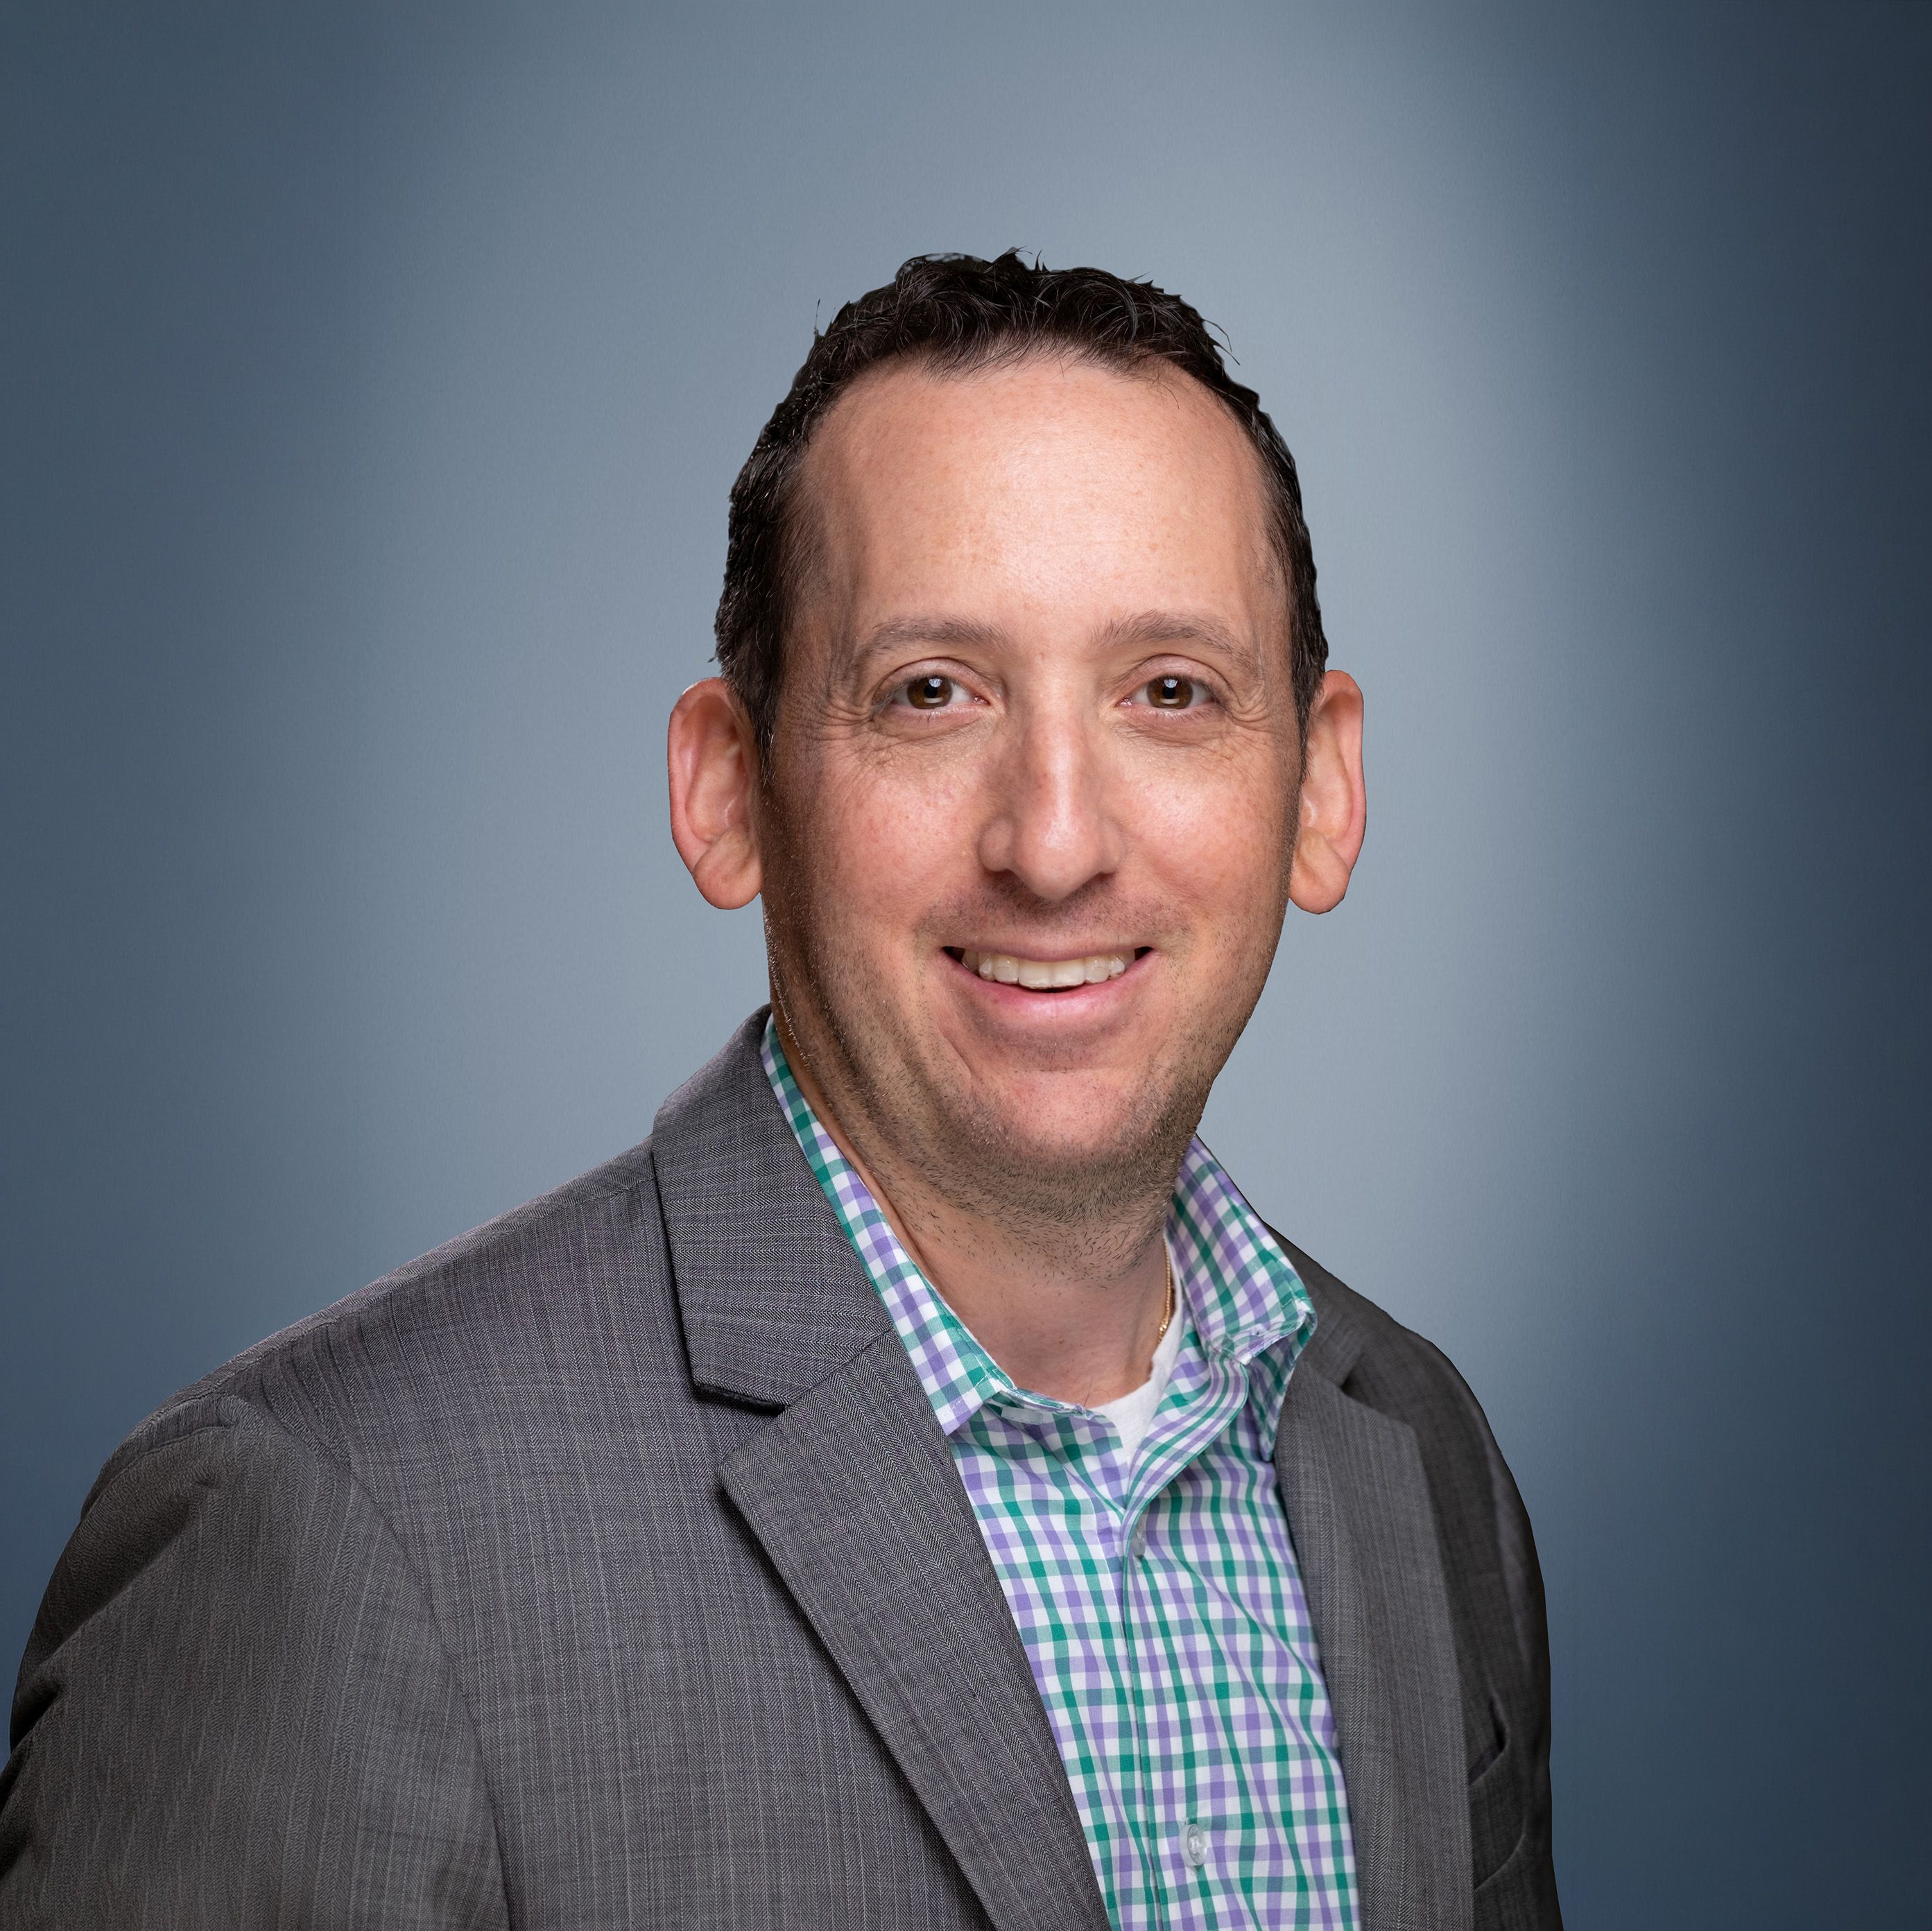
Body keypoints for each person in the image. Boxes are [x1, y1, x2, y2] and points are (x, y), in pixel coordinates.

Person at [0, 252, 1559, 1930]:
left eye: (1168, 693)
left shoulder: (1413, 1444)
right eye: (930, 694)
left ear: (1320, 789)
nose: (1054, 841)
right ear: (729, 791)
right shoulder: (322, 1537)